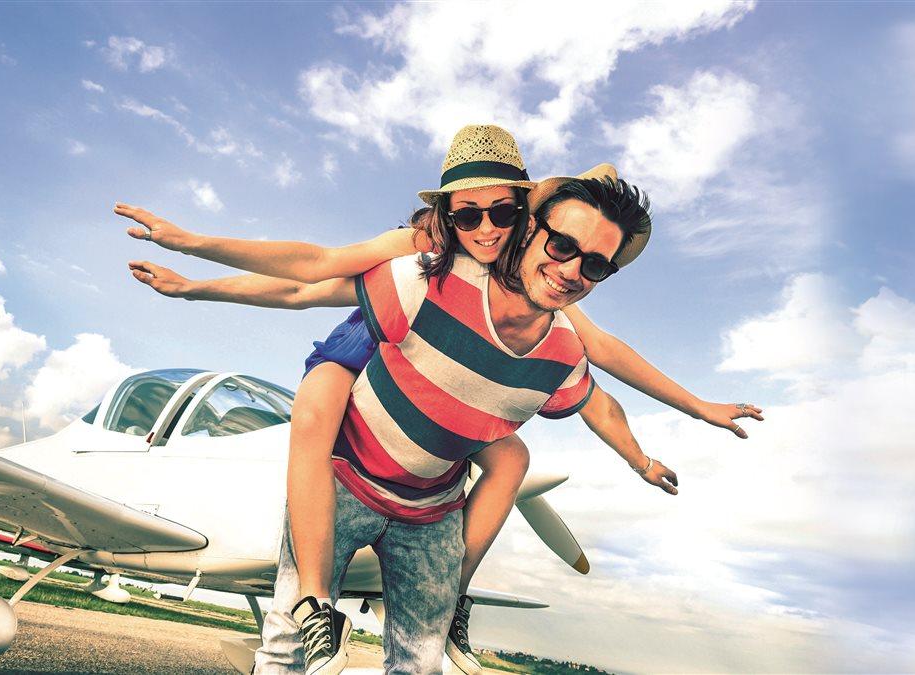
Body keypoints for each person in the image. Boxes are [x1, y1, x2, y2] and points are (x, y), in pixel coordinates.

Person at [122, 130, 762, 673]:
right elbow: (309, 274)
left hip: (449, 408)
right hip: (368, 345)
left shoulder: (552, 313)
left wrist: (686, 417)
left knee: (511, 459)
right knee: (318, 404)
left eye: (502, 213)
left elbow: (605, 362)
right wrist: (195, 267)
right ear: (455, 213)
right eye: (468, 214)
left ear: (521, 213)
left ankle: (451, 595)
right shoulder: (425, 255)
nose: (485, 228)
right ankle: (314, 607)